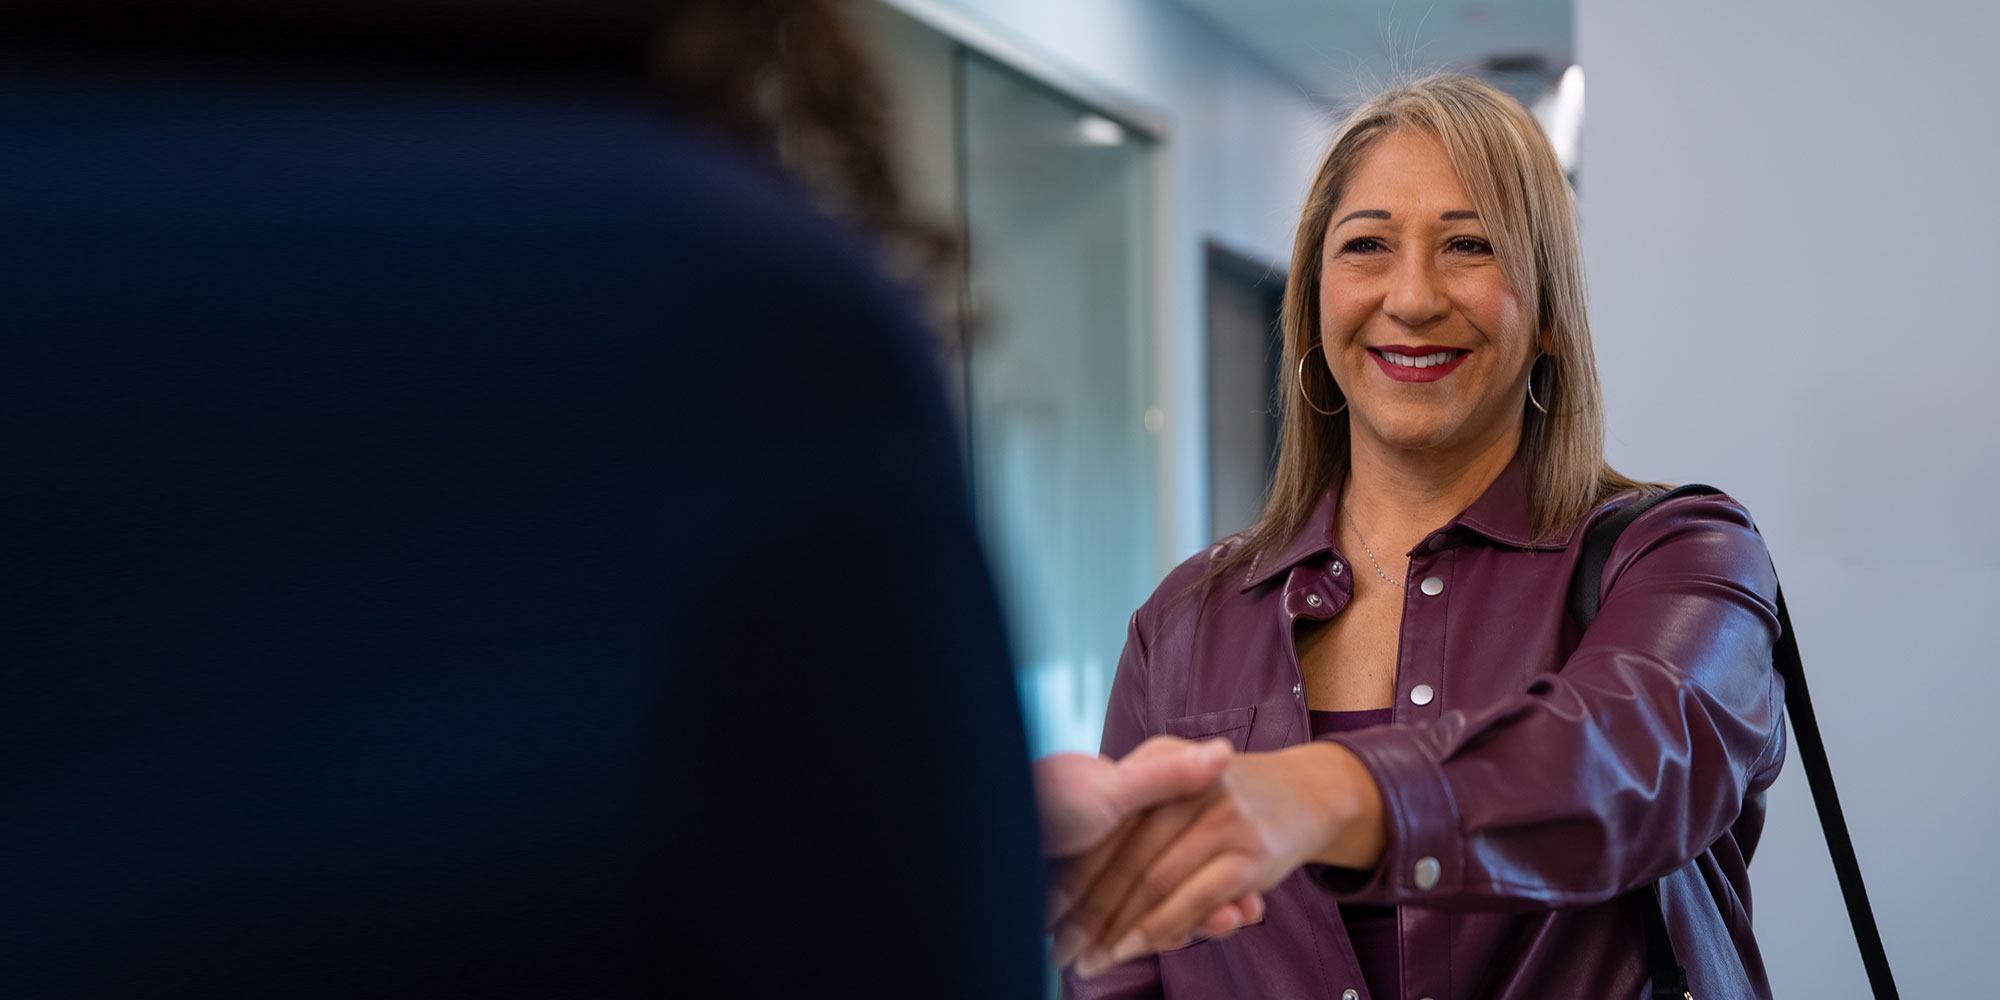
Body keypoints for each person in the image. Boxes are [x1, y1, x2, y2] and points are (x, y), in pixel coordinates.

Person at [1049, 75, 1786, 1000]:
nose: (1412, 295)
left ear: (1550, 310)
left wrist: (1317, 796)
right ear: (1316, 302)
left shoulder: (1686, 556)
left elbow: (1630, 762)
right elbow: (1118, 963)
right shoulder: (1181, 623)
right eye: (1366, 247)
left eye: (1469, 245)